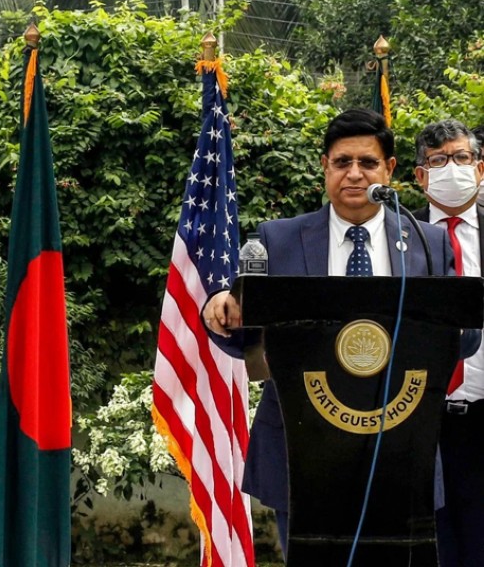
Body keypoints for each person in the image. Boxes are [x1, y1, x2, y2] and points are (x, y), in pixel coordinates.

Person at [201, 108, 479, 557]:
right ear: (324, 168)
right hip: (302, 453)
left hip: (402, 452)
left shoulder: (427, 241)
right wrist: (219, 309)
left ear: (388, 170)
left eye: (367, 163)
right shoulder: (279, 239)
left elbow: (460, 341)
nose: (354, 174)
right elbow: (245, 336)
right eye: (341, 162)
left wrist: (457, 320)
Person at [413, 119, 484, 567]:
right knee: (433, 551)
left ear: (480, 169)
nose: (451, 169)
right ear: (420, 175)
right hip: (421, 424)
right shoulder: (397, 234)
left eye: (461, 158)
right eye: (438, 161)